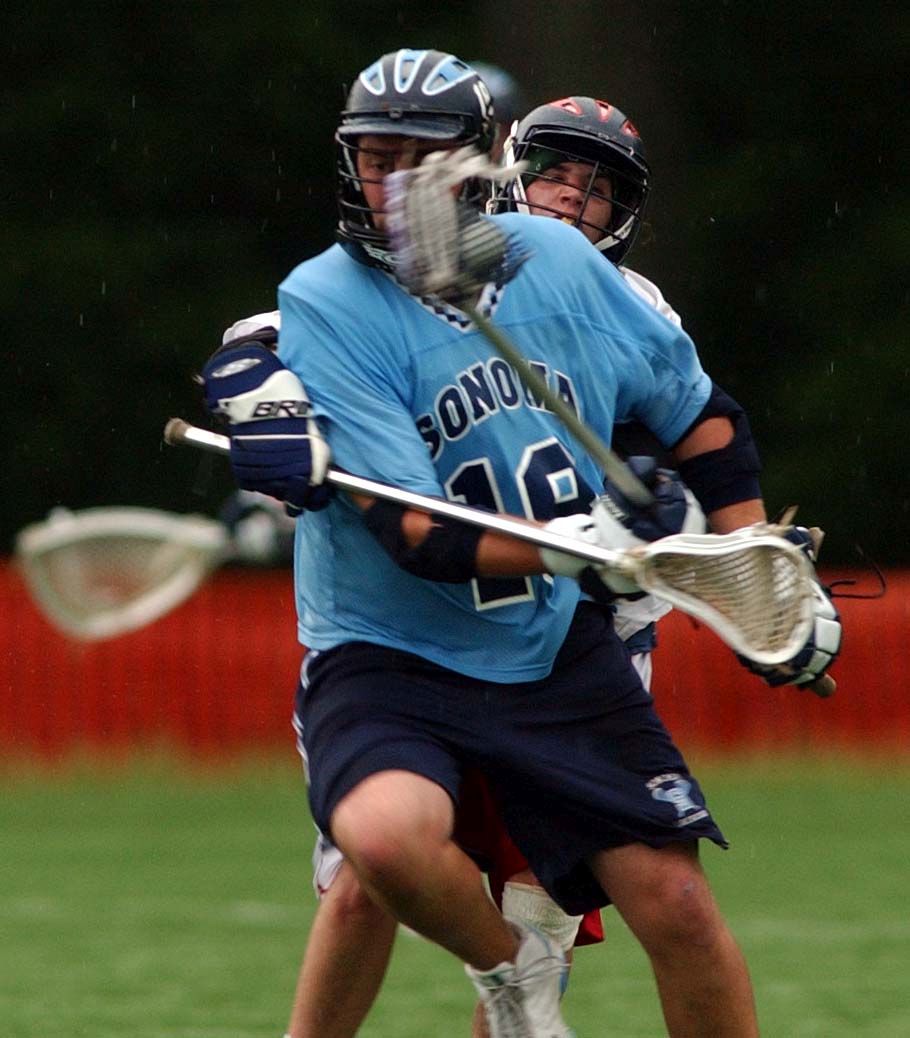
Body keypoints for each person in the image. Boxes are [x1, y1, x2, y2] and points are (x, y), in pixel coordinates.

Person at [202, 48, 840, 1037]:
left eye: (423, 162)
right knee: (374, 874)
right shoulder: (330, 298)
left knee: (642, 902)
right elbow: (268, 359)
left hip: (565, 637)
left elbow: (705, 424)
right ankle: (509, 983)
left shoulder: (582, 280)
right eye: (377, 159)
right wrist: (254, 393)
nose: (397, 187)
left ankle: (522, 983)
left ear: (478, 161)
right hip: (399, 640)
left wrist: (759, 570)